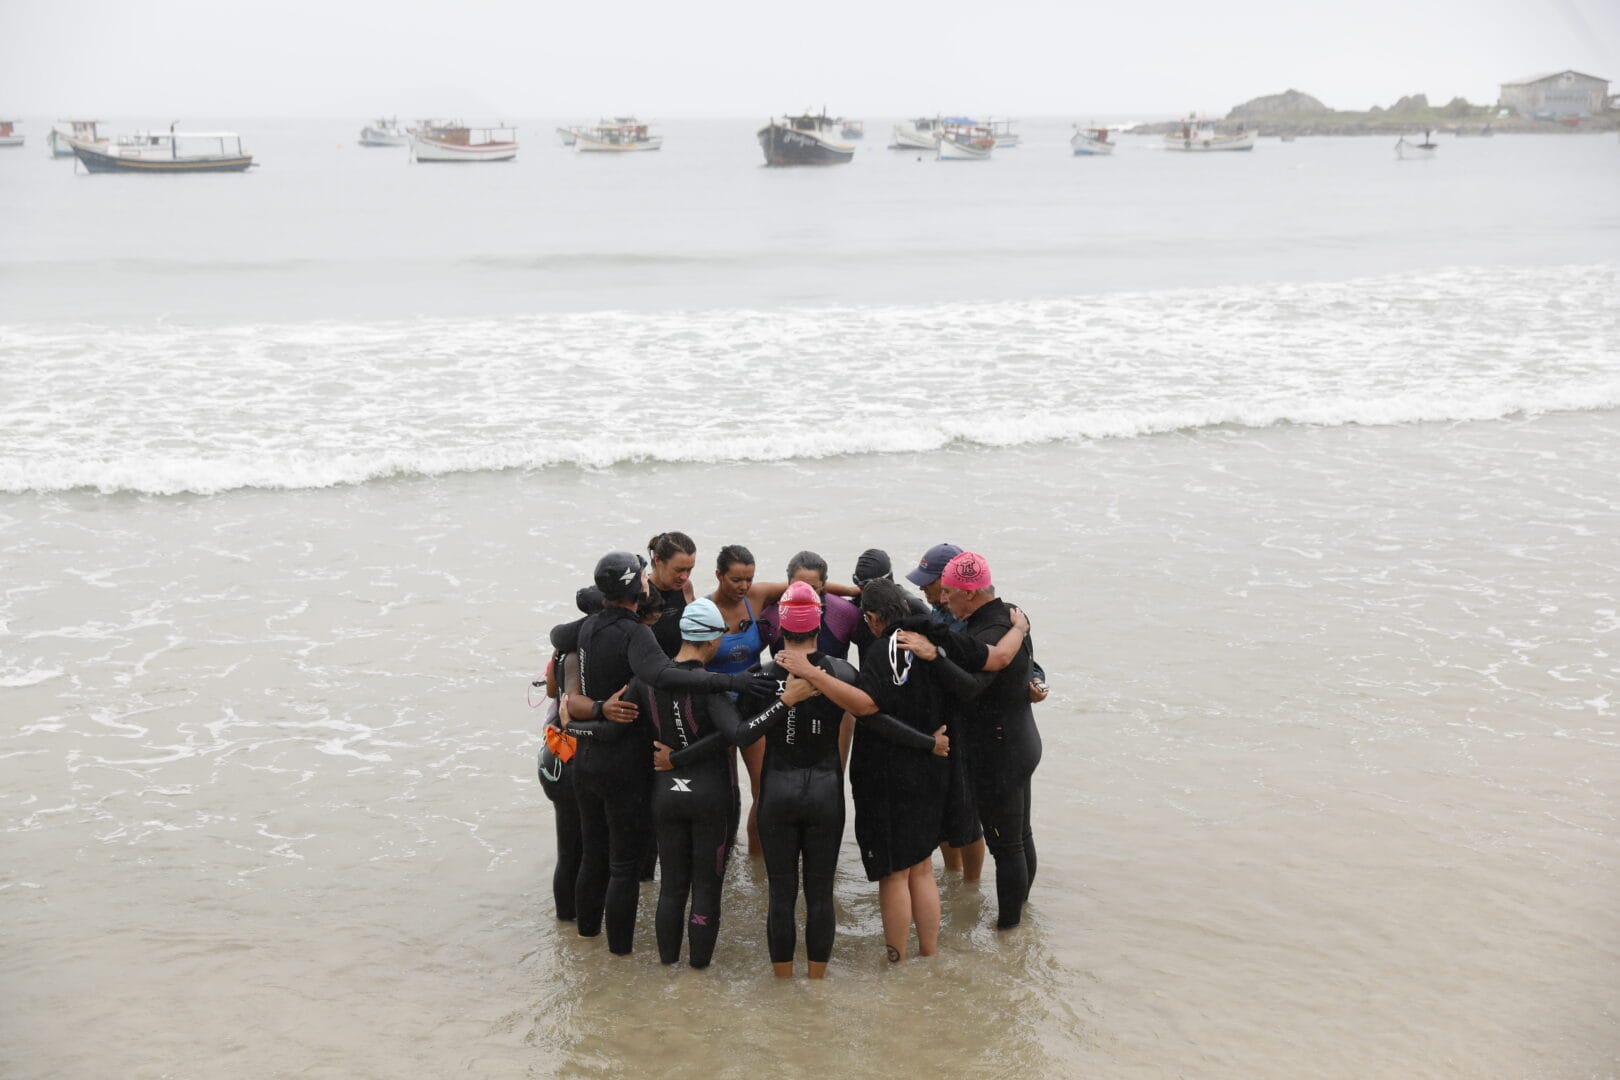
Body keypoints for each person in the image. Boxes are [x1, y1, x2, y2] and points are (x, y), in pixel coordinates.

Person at [560, 551, 775, 955]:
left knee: (594, 855)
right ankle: (624, 953)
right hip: (630, 765)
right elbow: (664, 676)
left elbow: (561, 642)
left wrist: (577, 723)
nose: (647, 580)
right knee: (629, 867)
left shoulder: (587, 628)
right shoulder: (636, 635)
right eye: (642, 575)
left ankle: (588, 945)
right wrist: (733, 684)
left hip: (588, 756)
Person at [731, 582, 857, 978]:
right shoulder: (843, 673)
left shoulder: (759, 676)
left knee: (781, 894)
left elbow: (745, 732)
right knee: (820, 894)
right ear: (819, 623)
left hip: (777, 791)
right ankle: (816, 985)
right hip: (825, 790)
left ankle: (783, 984)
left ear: (780, 627)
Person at [706, 545, 857, 855]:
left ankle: (816, 860)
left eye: (815, 589)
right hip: (761, 703)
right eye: (736, 579)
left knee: (818, 786)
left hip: (822, 708)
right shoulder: (771, 611)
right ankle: (756, 866)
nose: (743, 586)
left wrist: (862, 588)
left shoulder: (843, 612)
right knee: (750, 791)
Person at [626, 598, 745, 968]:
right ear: (712, 642)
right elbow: (736, 734)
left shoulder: (644, 682)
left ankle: (667, 970)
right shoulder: (712, 690)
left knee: (672, 886)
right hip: (711, 795)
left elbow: (624, 722)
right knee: (706, 889)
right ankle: (697, 979)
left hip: (666, 795)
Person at [927, 551, 1042, 930]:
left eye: (949, 593)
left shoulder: (989, 633)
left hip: (998, 752)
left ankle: (1007, 929)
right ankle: (1021, 915)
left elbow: (972, 687)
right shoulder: (1011, 615)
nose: (944, 600)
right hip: (1021, 740)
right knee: (1020, 835)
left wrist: (934, 658)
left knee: (1006, 846)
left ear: (970, 594)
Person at [904, 542, 982, 877]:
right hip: (939, 724)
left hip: (970, 726)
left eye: (929, 581)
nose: (922, 588)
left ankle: (971, 884)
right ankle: (952, 878)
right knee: (942, 811)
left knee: (968, 814)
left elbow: (1018, 660)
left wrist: (1036, 680)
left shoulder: (978, 617)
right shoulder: (935, 613)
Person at [536, 586, 603, 922]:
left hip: (553, 754)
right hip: (575, 756)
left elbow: (551, 689)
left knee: (567, 850)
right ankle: (581, 926)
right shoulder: (585, 650)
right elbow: (575, 706)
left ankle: (565, 922)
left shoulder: (561, 649)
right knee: (588, 851)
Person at [756, 550, 863, 662]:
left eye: (813, 588)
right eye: (799, 586)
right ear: (788, 582)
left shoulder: (845, 613)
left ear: (823, 585)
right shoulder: (769, 615)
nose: (805, 593)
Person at [645, 531, 697, 658]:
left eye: (689, 569)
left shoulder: (686, 587)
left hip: (681, 670)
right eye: (678, 570)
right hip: (650, 671)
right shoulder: (641, 593)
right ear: (658, 560)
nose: (684, 577)